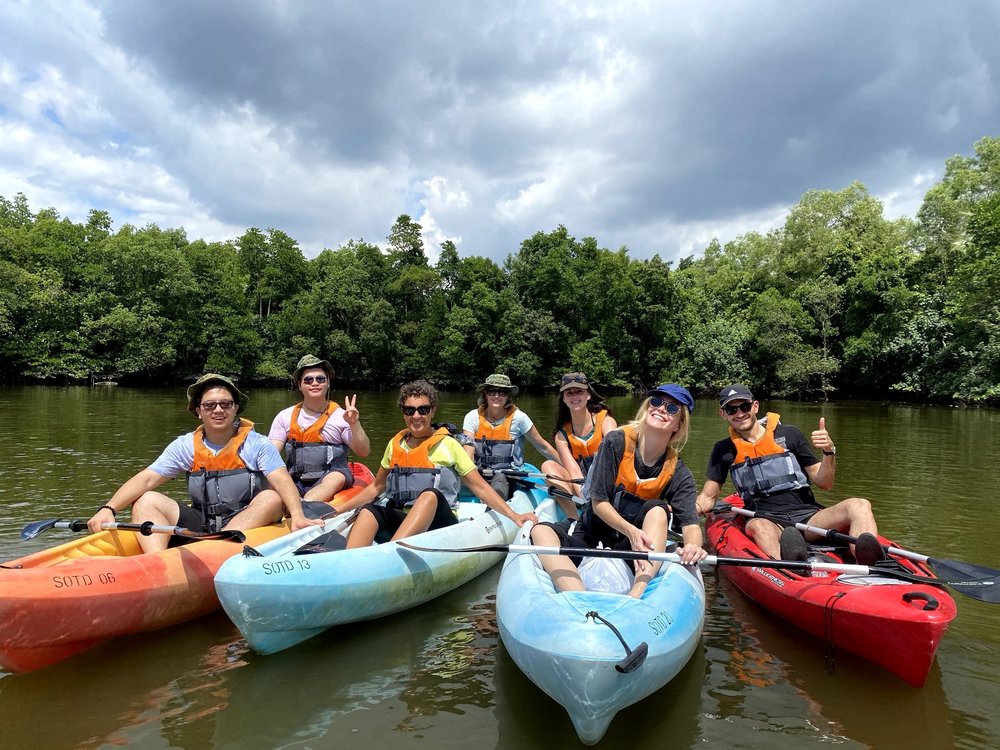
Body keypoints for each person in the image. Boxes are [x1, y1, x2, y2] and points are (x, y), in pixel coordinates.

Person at [86, 374, 323, 553]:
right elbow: (147, 478)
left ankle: (216, 549)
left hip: (246, 521)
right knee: (146, 499)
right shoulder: (185, 445)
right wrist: (109, 508)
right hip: (203, 522)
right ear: (198, 411)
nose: (218, 410)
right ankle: (158, 563)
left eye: (225, 404)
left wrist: (297, 514)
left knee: (272, 497)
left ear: (236, 408)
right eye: (209, 405)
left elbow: (282, 479)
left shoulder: (257, 444)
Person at [530, 384, 708, 599]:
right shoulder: (615, 442)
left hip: (638, 549)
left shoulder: (679, 471)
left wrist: (693, 546)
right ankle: (577, 598)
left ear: (679, 425)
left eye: (672, 409)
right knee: (540, 531)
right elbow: (598, 503)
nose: (661, 408)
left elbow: (690, 525)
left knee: (659, 510)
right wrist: (630, 531)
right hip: (591, 533)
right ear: (647, 407)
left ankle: (636, 596)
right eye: (656, 401)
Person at [694, 383, 883, 565]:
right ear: (722, 414)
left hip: (808, 518)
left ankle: (870, 566)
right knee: (758, 527)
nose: (740, 413)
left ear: (755, 406)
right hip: (768, 521)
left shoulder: (790, 434)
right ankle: (789, 567)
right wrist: (682, 510)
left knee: (859, 505)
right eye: (731, 410)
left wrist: (828, 451)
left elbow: (825, 482)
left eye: (744, 406)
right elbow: (708, 497)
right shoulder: (723, 449)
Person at [335, 380, 537, 548]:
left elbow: (480, 487)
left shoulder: (449, 444)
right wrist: (336, 512)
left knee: (429, 495)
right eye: (409, 410)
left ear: (432, 411)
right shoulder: (394, 444)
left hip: (440, 526)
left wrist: (514, 515)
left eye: (423, 410)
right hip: (403, 520)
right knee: (370, 510)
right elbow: (376, 487)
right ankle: (350, 561)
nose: (416, 416)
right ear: (403, 412)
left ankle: (390, 555)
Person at [268, 355, 371, 507]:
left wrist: (354, 424)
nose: (314, 383)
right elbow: (270, 455)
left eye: (320, 379)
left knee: (336, 477)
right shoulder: (285, 416)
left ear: (328, 383)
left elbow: (364, 452)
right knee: (273, 477)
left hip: (331, 476)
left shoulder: (341, 417)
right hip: (295, 479)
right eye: (308, 380)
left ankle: (304, 506)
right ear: (299, 385)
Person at [462, 373, 561, 497]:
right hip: (480, 472)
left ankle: (496, 502)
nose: (497, 396)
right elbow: (468, 451)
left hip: (509, 474)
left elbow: (542, 446)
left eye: (502, 392)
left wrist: (566, 466)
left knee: (499, 482)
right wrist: (470, 475)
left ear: (508, 396)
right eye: (492, 391)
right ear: (485, 394)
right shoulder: (472, 417)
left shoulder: (519, 418)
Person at [542, 372, 618, 521]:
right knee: (548, 466)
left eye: (579, 391)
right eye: (569, 393)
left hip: (608, 484)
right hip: (581, 487)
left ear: (588, 395)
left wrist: (598, 498)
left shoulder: (606, 422)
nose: (575, 396)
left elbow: (614, 463)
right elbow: (574, 471)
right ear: (564, 399)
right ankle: (574, 517)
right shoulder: (561, 435)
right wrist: (586, 497)